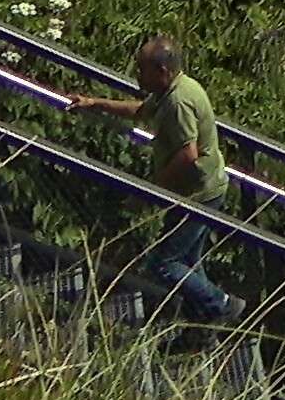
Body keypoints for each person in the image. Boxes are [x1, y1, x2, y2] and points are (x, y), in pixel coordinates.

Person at [69, 33, 238, 327]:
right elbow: (139, 110)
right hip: (199, 190)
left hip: (200, 193)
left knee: (164, 265)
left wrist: (151, 189)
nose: (137, 74)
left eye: (142, 68)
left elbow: (188, 154)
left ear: (162, 71)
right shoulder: (170, 92)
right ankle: (203, 327)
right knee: (187, 264)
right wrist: (94, 103)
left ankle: (221, 303)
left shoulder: (179, 102)